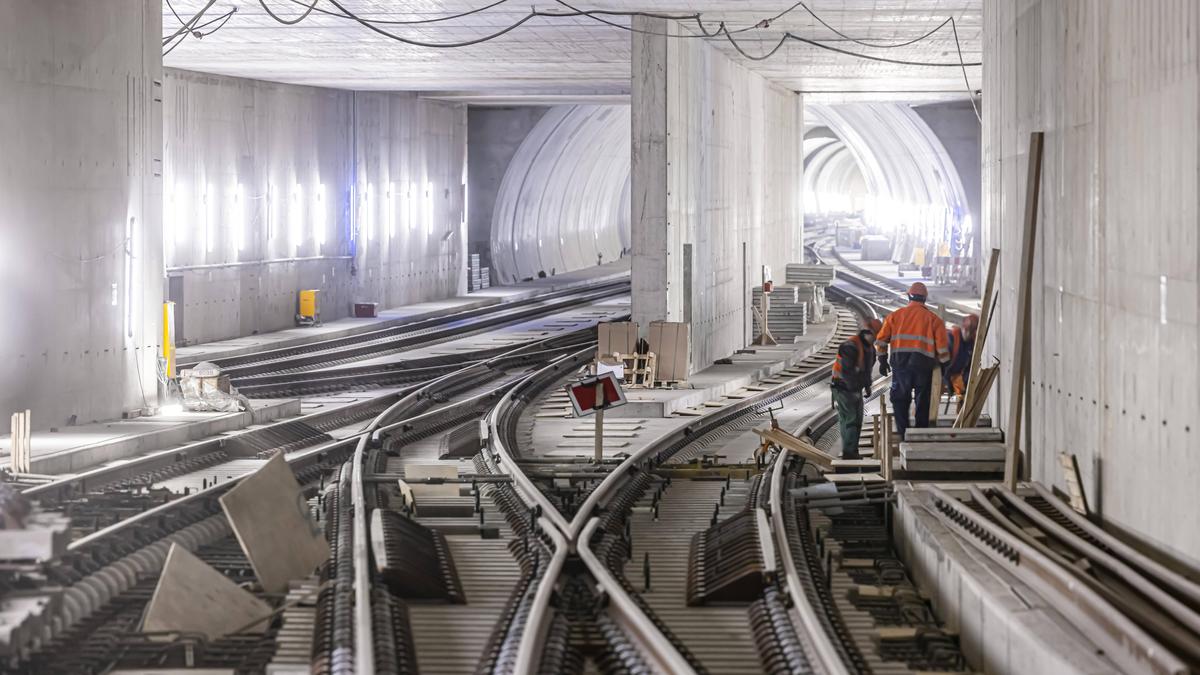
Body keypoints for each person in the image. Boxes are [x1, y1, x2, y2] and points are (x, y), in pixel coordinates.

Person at [875, 282, 950, 439]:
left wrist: (882, 360)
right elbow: (943, 349)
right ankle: (920, 435)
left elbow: (881, 341)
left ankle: (904, 434)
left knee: (900, 399)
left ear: (909, 296)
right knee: (923, 401)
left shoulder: (894, 316)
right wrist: (944, 366)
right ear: (925, 299)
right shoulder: (934, 320)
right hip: (924, 366)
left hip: (900, 365)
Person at [831, 318, 882, 459]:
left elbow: (865, 371)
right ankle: (849, 453)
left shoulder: (870, 349)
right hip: (842, 386)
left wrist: (867, 386)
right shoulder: (850, 346)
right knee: (852, 420)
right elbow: (847, 372)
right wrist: (854, 390)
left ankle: (850, 450)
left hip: (853, 388)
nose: (877, 339)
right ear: (870, 333)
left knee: (853, 419)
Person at [946, 313, 979, 399]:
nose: (968, 334)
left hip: (958, 374)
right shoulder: (952, 337)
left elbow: (970, 366)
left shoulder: (972, 342)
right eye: (967, 331)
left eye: (971, 332)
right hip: (945, 372)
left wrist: (966, 382)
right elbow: (942, 362)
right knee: (933, 395)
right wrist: (947, 382)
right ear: (963, 328)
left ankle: (962, 410)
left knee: (963, 397)